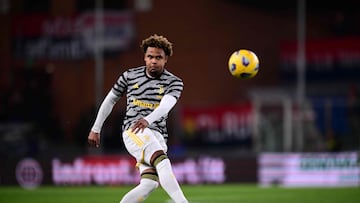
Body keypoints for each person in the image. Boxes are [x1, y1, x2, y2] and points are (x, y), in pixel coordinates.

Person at [87, 34, 189, 203]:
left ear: (166, 60)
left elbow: (166, 106)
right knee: (162, 162)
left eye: (158, 57)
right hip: (133, 130)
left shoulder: (174, 82)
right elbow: (110, 99)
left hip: (158, 135)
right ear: (144, 57)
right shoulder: (129, 76)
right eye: (150, 57)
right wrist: (96, 128)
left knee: (149, 184)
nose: (153, 61)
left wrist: (148, 119)